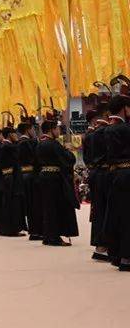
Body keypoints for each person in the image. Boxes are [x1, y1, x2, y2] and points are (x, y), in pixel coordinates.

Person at [35, 115, 79, 246]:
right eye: (57, 129)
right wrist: (67, 150)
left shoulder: (39, 144)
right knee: (56, 207)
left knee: (48, 208)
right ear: (51, 130)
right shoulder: (54, 144)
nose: (59, 132)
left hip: (44, 177)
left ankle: (48, 235)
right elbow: (69, 160)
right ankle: (54, 237)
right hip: (54, 178)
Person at [103, 93, 130, 271]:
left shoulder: (106, 130)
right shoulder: (127, 129)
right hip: (128, 174)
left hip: (114, 175)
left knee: (118, 214)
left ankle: (118, 255)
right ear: (124, 109)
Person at [84, 103, 110, 260]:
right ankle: (105, 245)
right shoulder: (106, 132)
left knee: (98, 209)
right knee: (107, 210)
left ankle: (100, 245)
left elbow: (87, 159)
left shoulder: (90, 135)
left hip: (95, 173)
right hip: (106, 173)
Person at [0, 123, 27, 237]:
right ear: (10, 135)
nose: (17, 135)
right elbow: (18, 152)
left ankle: (10, 229)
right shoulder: (8, 146)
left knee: (9, 203)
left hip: (8, 177)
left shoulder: (6, 145)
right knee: (12, 204)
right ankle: (12, 229)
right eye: (15, 133)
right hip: (11, 178)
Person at [16, 111, 40, 241]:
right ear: (28, 129)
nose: (34, 131)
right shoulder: (27, 143)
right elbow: (36, 158)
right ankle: (35, 230)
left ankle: (34, 230)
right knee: (34, 205)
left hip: (23, 175)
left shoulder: (19, 143)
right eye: (33, 129)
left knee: (30, 205)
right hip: (31, 175)